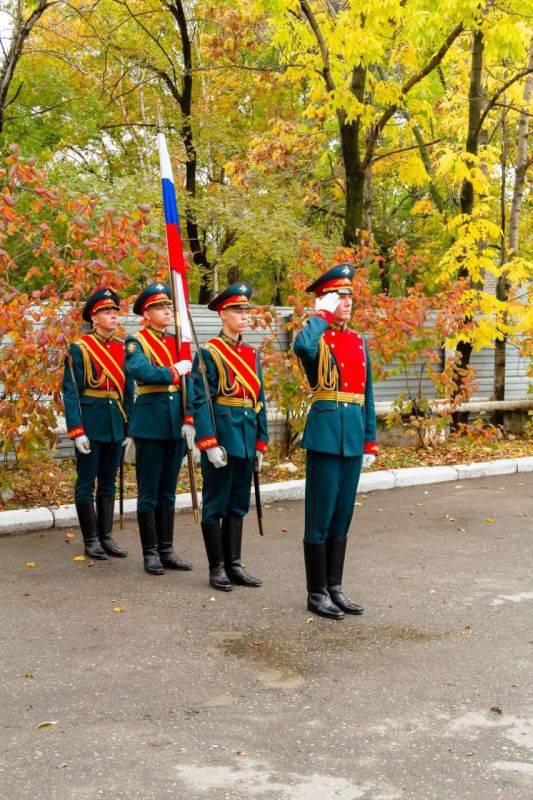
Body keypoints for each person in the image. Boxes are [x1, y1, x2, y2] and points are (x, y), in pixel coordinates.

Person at [293, 263, 378, 620]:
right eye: (338, 296)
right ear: (325, 301)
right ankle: (316, 593)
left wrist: (370, 439)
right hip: (326, 437)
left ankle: (335, 587)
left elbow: (367, 393)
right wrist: (320, 316)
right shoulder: (317, 337)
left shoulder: (358, 340)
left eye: (349, 295)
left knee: (342, 515)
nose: (347, 301)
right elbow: (301, 346)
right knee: (320, 516)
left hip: (353, 436)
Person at [191, 283, 268, 592]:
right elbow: (200, 400)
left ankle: (234, 565)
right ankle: (217, 567)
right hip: (222, 436)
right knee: (215, 504)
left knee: (238, 504)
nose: (244, 315)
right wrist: (208, 443)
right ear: (223, 314)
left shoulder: (251, 353)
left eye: (246, 310)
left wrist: (261, 442)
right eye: (238, 310)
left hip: (246, 436)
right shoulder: (208, 352)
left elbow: (259, 400)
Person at [125, 282, 194, 575]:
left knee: (168, 492)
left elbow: (191, 383)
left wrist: (190, 419)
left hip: (174, 425)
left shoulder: (178, 342)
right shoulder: (136, 341)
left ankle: (166, 549)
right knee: (149, 492)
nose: (167, 311)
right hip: (151, 425)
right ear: (146, 313)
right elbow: (142, 371)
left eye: (169, 306)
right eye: (160, 307)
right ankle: (150, 552)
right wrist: (174, 370)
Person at [62, 288, 134, 560]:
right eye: (107, 311)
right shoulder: (80, 348)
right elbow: (71, 393)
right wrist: (76, 429)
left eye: (116, 311)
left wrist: (129, 427)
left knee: (108, 483)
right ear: (94, 317)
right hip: (90, 424)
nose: (114, 315)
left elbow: (128, 390)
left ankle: (107, 537)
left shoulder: (122, 347)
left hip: (116, 422)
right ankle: (90, 539)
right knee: (85, 483)